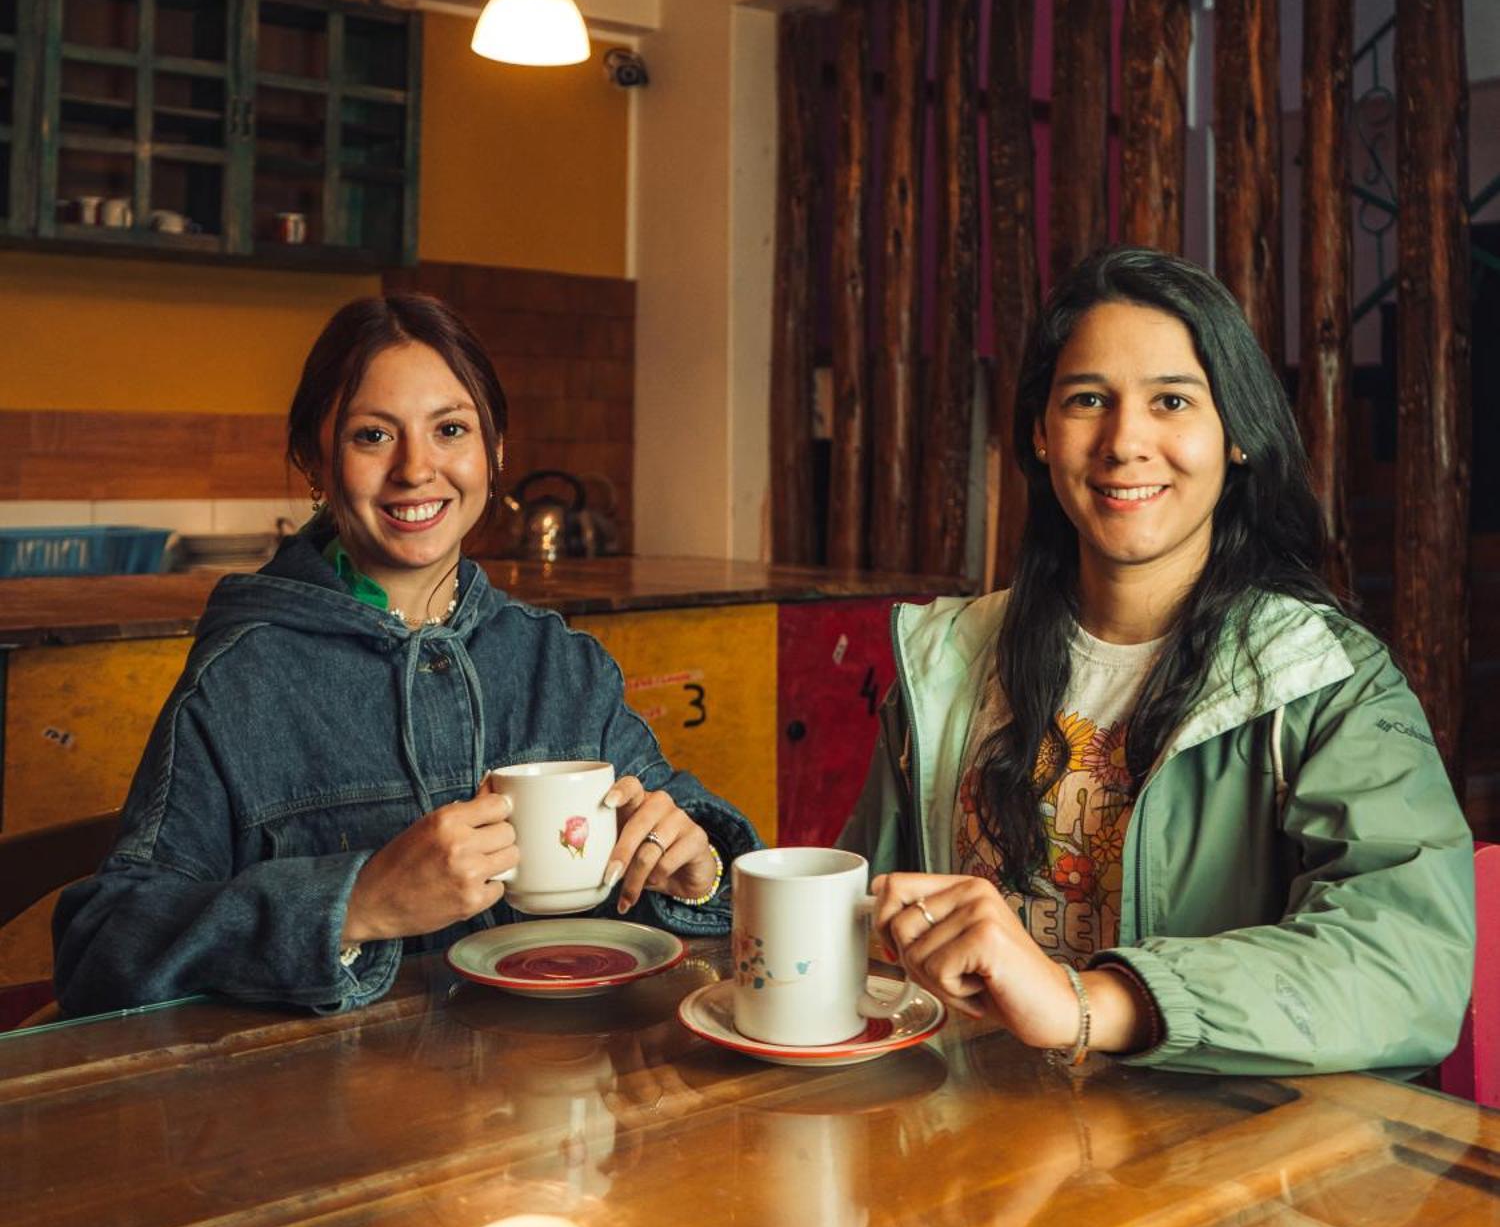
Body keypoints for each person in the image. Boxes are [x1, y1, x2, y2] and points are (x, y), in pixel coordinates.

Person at [845, 246, 1475, 1076]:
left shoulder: (1322, 680)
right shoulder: (946, 663)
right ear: (1040, 433)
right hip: (981, 1151)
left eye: (1172, 400)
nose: (1124, 441)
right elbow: (857, 921)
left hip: (1222, 1161)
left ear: (1237, 436)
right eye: (1087, 400)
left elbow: (1409, 968)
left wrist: (1092, 1005)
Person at [54, 295, 758, 1017]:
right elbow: (103, 951)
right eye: (372, 436)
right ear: (312, 462)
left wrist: (698, 869)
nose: (417, 470)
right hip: (328, 1112)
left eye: (450, 429)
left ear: (496, 450)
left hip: (562, 1104)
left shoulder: (560, 664)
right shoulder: (241, 680)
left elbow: (700, 882)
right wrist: (359, 903)